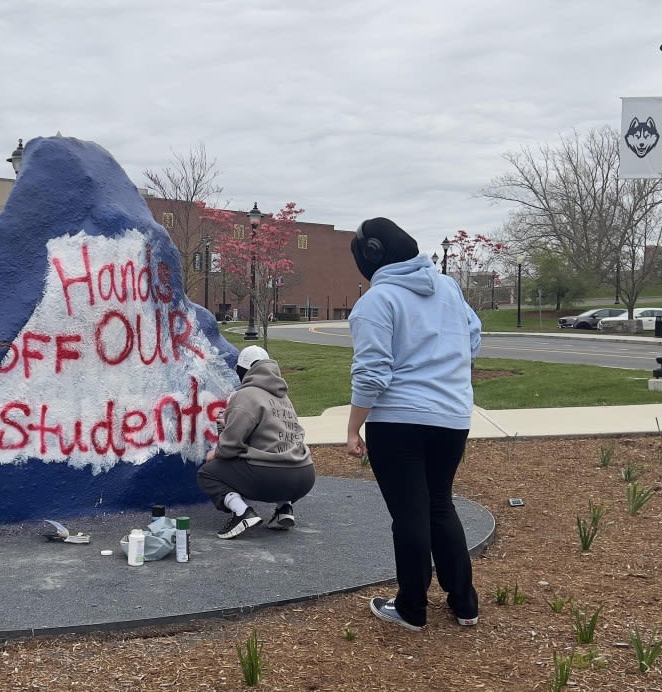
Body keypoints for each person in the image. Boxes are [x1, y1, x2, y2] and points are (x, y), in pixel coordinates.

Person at [345, 217, 481, 632]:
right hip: (452, 418)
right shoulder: (448, 287)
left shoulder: (376, 301)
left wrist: (353, 428)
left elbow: (372, 373)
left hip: (398, 421)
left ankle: (411, 608)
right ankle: (464, 605)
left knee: (410, 514)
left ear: (371, 256)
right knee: (440, 504)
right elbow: (473, 336)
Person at [198, 345, 315, 539]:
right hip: (304, 476)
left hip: (271, 477)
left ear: (243, 370)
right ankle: (284, 508)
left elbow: (231, 447)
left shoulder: (245, 395)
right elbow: (273, 435)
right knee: (276, 456)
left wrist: (216, 452)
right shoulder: (283, 397)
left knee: (208, 473)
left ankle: (242, 513)